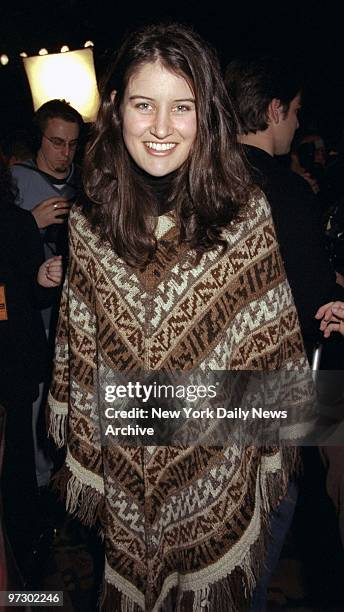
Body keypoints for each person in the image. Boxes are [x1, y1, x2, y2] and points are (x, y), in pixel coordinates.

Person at [48, 24, 311, 611]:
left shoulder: (244, 215)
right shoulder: (90, 221)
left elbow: (281, 377)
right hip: (124, 458)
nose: (162, 128)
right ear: (117, 110)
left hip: (216, 470)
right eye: (145, 105)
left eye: (182, 107)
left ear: (206, 114)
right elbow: (81, 351)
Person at [224, 56, 342, 363]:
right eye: (297, 111)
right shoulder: (287, 189)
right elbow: (314, 297)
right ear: (276, 109)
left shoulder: (204, 178)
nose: (298, 123)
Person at [10, 100, 83, 489]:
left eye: (72, 143)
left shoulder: (84, 183)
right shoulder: (16, 182)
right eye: (56, 142)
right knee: (36, 403)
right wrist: (28, 223)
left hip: (71, 315)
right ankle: (37, 486)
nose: (65, 153)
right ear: (39, 138)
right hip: (31, 318)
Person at [0, 153, 62, 582]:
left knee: (16, 473)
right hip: (10, 363)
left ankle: (25, 578)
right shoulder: (18, 222)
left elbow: (23, 296)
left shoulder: (14, 220)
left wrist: (41, 279)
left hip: (11, 367)